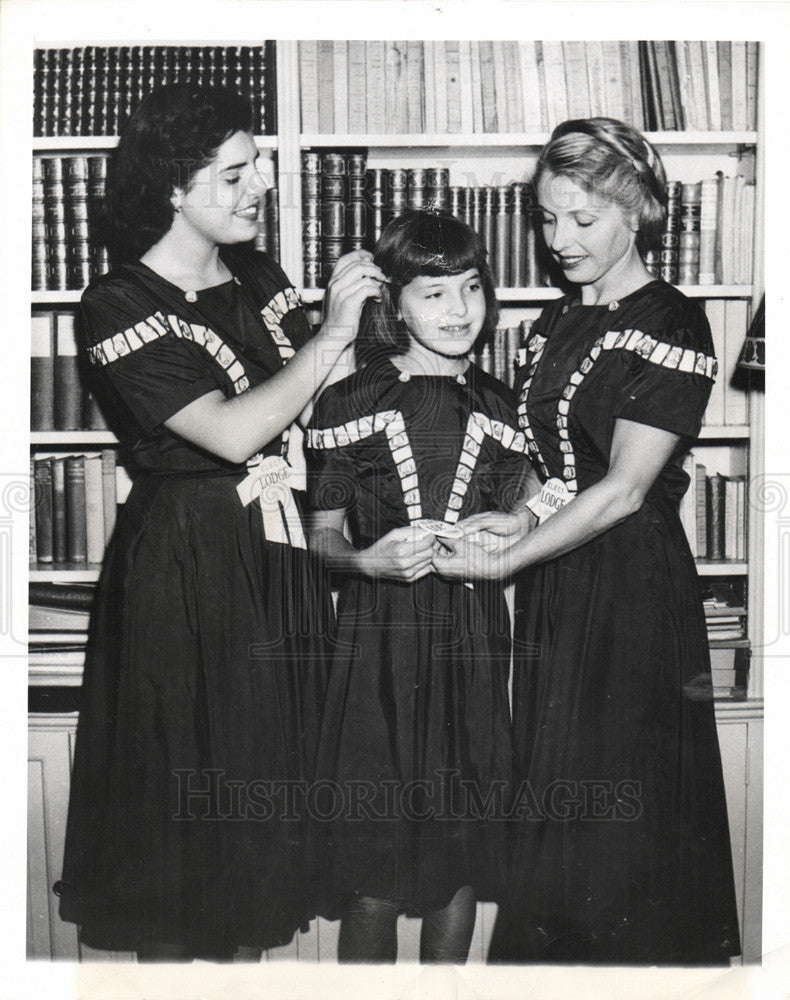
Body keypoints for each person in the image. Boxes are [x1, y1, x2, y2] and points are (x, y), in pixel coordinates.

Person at [55, 83, 386, 961]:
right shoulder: (116, 302)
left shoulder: (260, 277)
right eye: (236, 173)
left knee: (253, 814)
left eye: (259, 168)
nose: (260, 187)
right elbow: (233, 430)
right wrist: (328, 341)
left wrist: (361, 332)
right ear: (172, 185)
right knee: (179, 814)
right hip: (186, 569)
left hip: (275, 560)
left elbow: (315, 415)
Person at [434, 118, 741, 965]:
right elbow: (564, 472)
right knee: (560, 804)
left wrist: (509, 558)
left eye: (583, 220)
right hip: (560, 590)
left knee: (621, 819)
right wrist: (521, 517)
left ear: (638, 210)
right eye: (546, 218)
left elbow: (625, 489)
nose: (559, 240)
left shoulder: (673, 323)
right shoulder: (553, 324)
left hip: (632, 594)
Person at [304, 209, 528, 963]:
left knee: (456, 858)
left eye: (472, 288)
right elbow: (319, 537)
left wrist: (516, 525)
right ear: (392, 304)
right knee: (375, 862)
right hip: (376, 647)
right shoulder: (348, 402)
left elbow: (540, 512)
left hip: (471, 646)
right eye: (434, 294)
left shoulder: (505, 410)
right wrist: (367, 562)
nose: (460, 311)